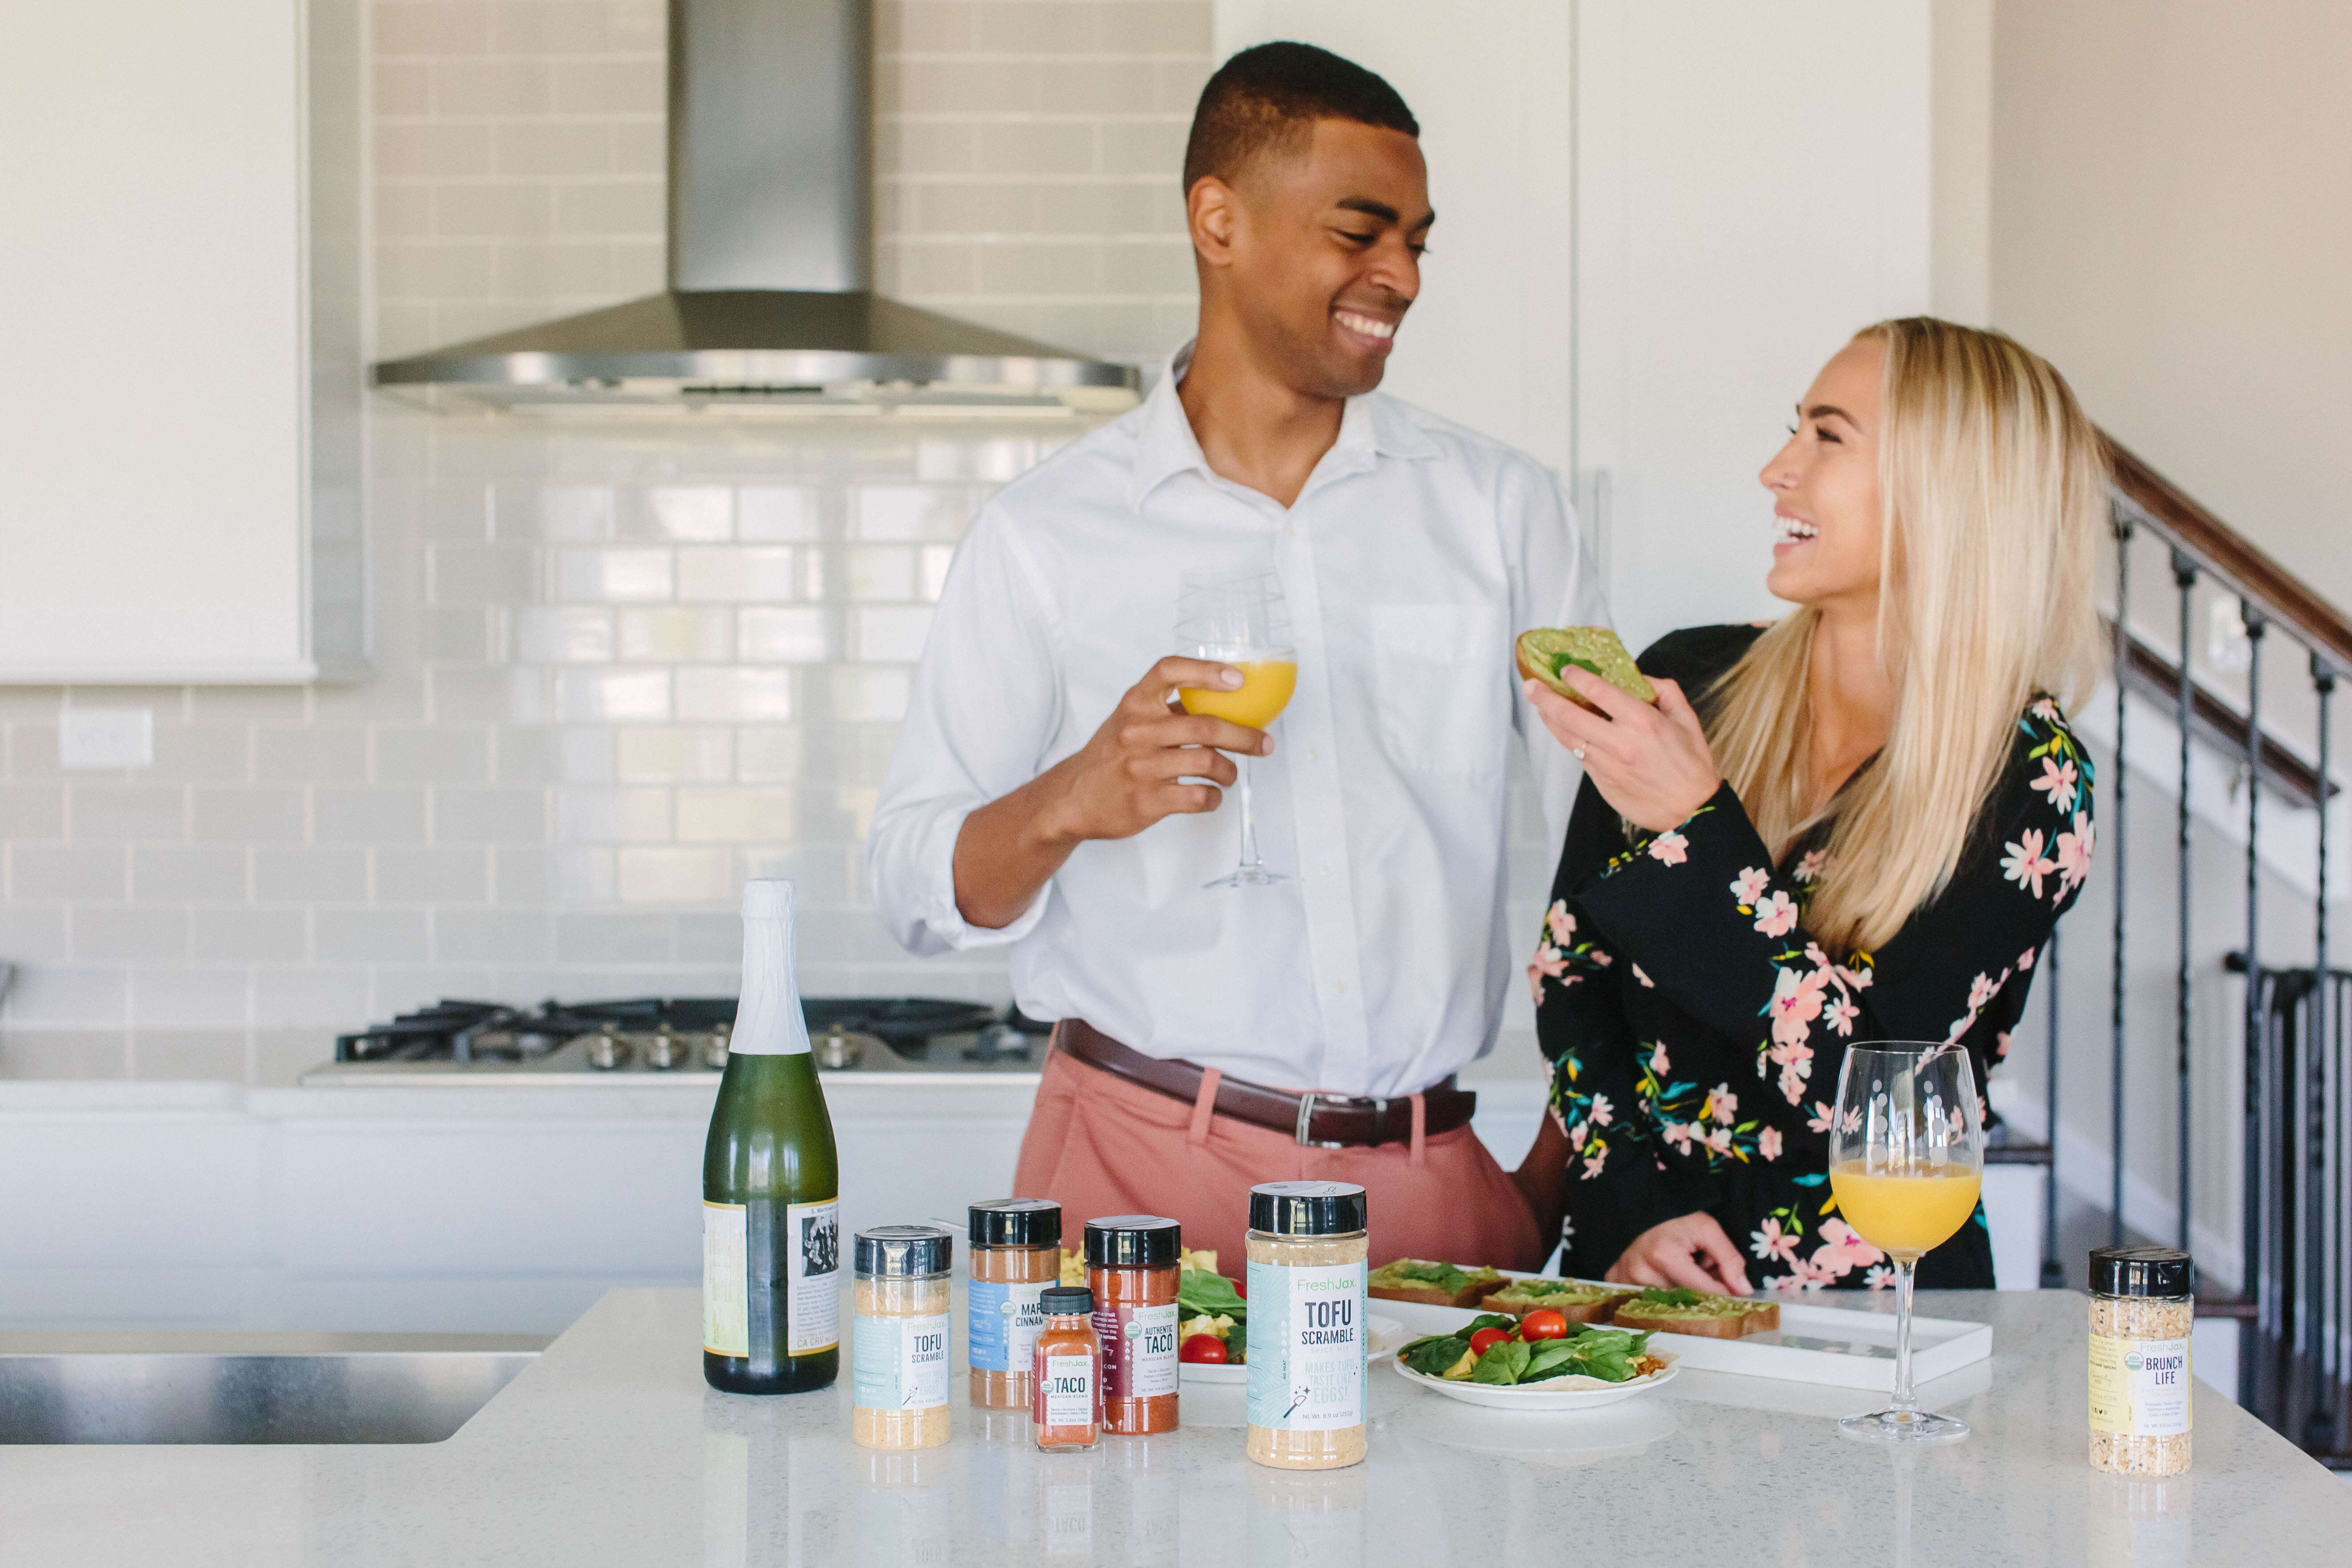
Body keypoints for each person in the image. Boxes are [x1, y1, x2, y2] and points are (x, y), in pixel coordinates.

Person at [867, 42, 1602, 1269]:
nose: (1400, 276)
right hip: (1132, 1184)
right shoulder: (1045, 533)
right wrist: (1068, 802)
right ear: (1217, 220)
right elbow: (908, 886)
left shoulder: (1500, 510)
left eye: (1416, 240)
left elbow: (1627, 847)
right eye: (1359, 232)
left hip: (1432, 1193)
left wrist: (1553, 1172)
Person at [1511, 318, 2105, 1292]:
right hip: (1636, 1290)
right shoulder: (1686, 683)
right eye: (1798, 429)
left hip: (1877, 1334)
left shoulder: (2030, 782)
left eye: (1828, 436)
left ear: (1946, 487)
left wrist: (1697, 827)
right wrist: (1633, 1212)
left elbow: (1872, 1099)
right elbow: (1568, 973)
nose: (1776, 469)